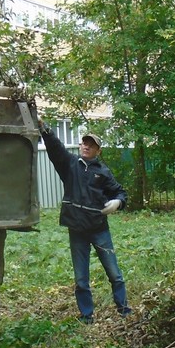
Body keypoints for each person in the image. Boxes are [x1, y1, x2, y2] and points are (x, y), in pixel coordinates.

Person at [39, 122, 132, 323]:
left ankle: (124, 311)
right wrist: (45, 130)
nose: (86, 147)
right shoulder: (70, 165)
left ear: (98, 150)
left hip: (100, 230)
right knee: (81, 279)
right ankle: (86, 316)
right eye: (84, 143)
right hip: (77, 231)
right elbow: (56, 148)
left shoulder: (103, 172)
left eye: (91, 145)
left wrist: (117, 202)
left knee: (115, 274)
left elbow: (120, 192)